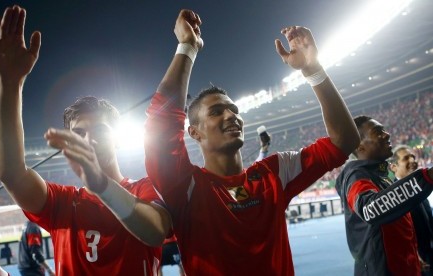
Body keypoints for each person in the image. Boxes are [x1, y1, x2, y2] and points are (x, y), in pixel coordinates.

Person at [144, 9, 359, 275]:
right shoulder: (185, 187)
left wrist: (313, 70)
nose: (231, 115)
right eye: (216, 112)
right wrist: (187, 48)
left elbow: (344, 142)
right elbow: (161, 121)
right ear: (194, 133)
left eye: (234, 109)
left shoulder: (275, 172)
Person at [0, 5, 171, 275]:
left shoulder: (146, 189)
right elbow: (11, 172)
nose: (89, 140)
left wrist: (102, 185)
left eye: (99, 131)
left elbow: (156, 231)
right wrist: (9, 84)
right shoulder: (62, 203)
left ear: (118, 138)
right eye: (79, 134)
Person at [335, 115, 433, 275]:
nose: (387, 134)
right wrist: (426, 177)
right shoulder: (356, 175)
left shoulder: (381, 176)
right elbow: (370, 209)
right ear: (359, 146)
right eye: (377, 131)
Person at [390, 145, 433, 275]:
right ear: (393, 167)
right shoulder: (392, 196)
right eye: (406, 158)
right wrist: (414, 256)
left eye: (413, 157)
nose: (412, 161)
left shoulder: (420, 188)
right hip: (414, 261)